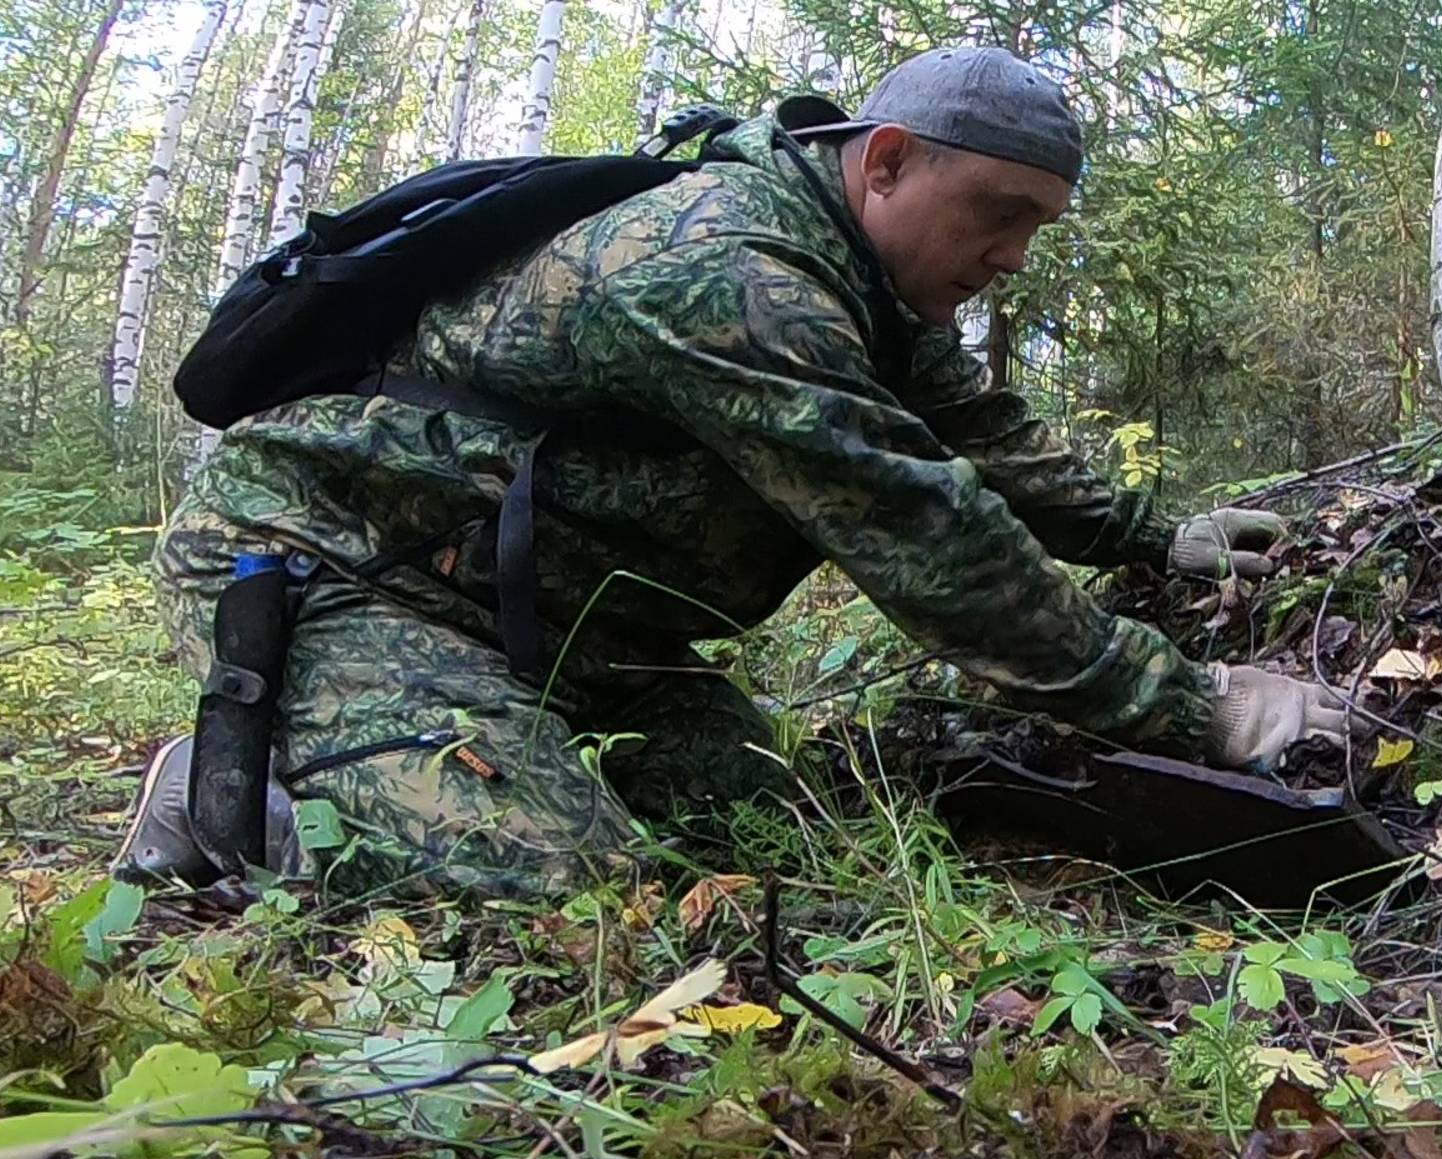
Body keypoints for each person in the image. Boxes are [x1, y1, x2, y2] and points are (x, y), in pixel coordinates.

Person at [116, 47, 1350, 899]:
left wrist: (1154, 532)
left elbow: (986, 443)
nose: (1014, 255)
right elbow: (915, 522)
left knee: (778, 836)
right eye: (1000, 211)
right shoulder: (728, 268)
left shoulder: (873, 293)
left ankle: (380, 771)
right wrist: (1198, 705)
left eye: (1039, 226)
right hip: (347, 577)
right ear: (888, 163)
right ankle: (244, 799)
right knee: (576, 897)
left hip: (560, 629)